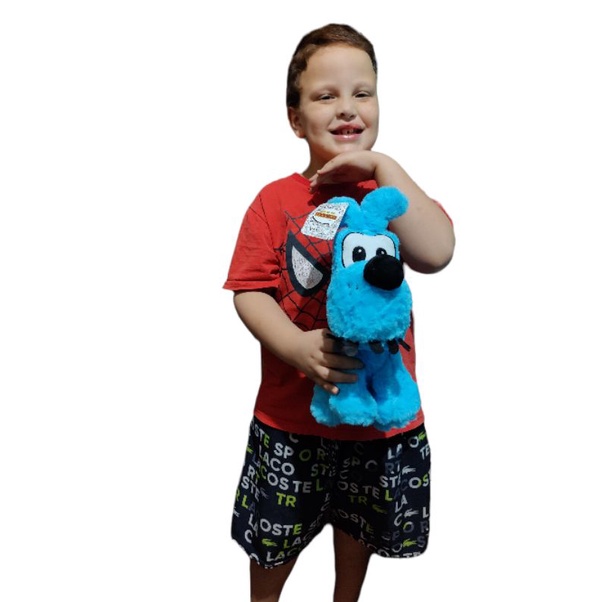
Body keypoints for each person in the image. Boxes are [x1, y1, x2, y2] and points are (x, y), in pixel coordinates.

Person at [223, 23, 455, 602]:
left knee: (358, 529)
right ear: (295, 118)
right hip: (291, 419)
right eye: (326, 96)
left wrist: (383, 166)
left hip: (379, 415)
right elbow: (249, 290)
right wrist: (295, 346)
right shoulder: (275, 200)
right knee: (274, 540)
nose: (347, 107)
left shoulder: (392, 196)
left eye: (362, 93)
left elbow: (437, 252)